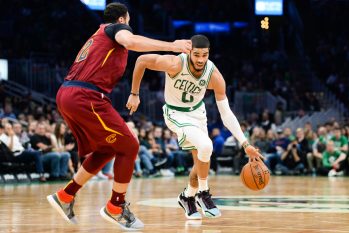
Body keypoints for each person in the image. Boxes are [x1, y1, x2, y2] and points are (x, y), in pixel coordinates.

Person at [46, 2, 191, 231]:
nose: (129, 25)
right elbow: (132, 42)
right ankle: (115, 207)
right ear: (123, 19)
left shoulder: (97, 36)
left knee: (107, 149)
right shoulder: (115, 29)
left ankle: (65, 195)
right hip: (86, 96)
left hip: (69, 94)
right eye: (129, 21)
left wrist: (134, 93)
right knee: (130, 146)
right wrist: (173, 45)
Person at [126, 35, 263, 219]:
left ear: (208, 54)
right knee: (206, 146)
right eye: (196, 54)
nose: (200, 59)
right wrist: (134, 93)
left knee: (200, 164)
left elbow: (226, 113)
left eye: (204, 55)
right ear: (189, 52)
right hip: (175, 113)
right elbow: (142, 60)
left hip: (197, 114)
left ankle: (187, 196)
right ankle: (203, 194)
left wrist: (246, 144)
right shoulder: (175, 64)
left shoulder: (214, 75)